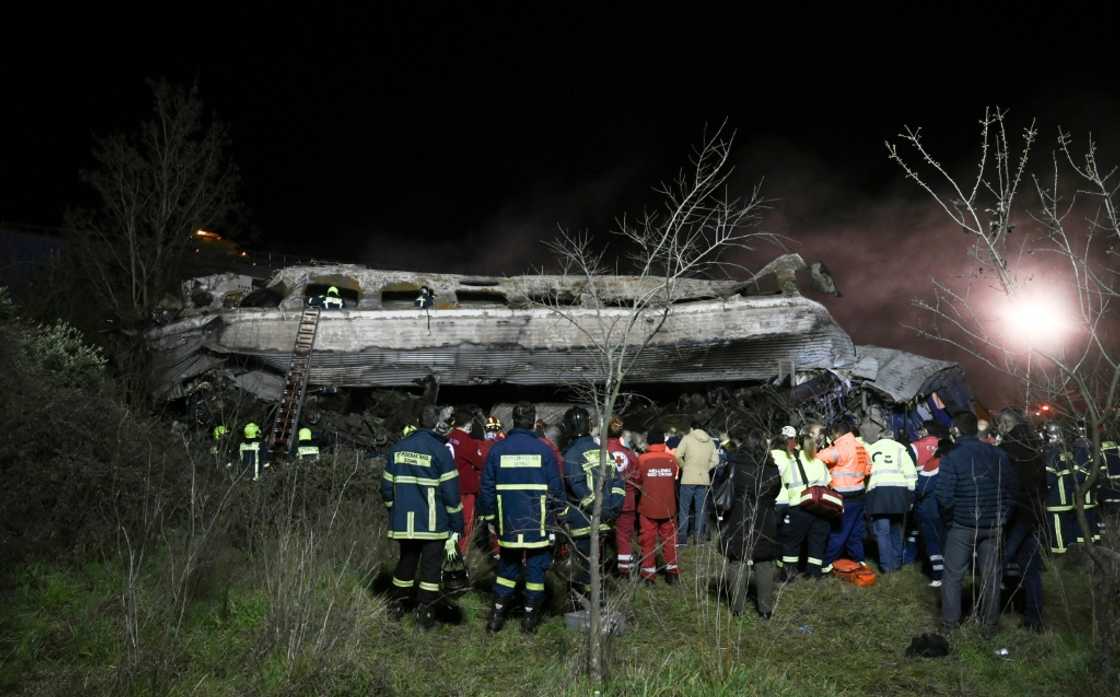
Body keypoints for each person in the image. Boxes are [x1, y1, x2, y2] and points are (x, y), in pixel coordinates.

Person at [478, 402, 565, 634]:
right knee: (536, 571)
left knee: (507, 569)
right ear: (533, 421)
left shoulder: (497, 450)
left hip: (508, 523)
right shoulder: (544, 450)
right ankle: (529, 622)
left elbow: (486, 488)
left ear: (513, 421)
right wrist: (561, 514)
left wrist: (491, 518)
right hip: (538, 523)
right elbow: (556, 488)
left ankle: (496, 619)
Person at [381, 405, 464, 629]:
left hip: (404, 523)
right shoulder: (440, 451)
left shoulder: (398, 448)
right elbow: (451, 494)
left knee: (406, 562)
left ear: (418, 422)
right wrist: (457, 524)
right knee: (430, 568)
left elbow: (386, 488)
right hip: (432, 524)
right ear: (436, 423)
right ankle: (425, 614)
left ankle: (396, 606)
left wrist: (394, 510)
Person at [937, 411, 1017, 634]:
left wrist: (951, 519)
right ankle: (989, 626)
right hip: (994, 525)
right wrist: (1003, 516)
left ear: (955, 430)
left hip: (962, 525)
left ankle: (950, 626)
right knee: (991, 576)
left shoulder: (952, 457)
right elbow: (1012, 490)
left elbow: (943, 496)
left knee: (953, 576)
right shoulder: (999, 454)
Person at [561, 407, 626, 605]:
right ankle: (599, 600)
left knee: (583, 567)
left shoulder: (571, 454)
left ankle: (584, 604)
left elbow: (577, 488)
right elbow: (618, 483)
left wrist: (599, 511)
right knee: (599, 564)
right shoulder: (604, 452)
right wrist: (613, 510)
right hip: (606, 522)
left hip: (583, 522)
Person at [718, 429, 783, 618]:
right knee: (764, 562)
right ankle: (765, 610)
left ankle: (737, 609)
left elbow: (725, 486)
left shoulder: (735, 465)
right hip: (765, 517)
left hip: (739, 515)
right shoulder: (772, 468)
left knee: (738, 560)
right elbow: (776, 491)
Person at [997, 408, 1046, 631]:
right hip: (1032, 512)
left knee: (999, 561)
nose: (999, 427)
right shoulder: (1035, 446)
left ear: (1007, 424)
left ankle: (987, 615)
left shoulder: (1007, 448)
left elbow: (1003, 482)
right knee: (1030, 568)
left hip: (1013, 512)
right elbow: (1043, 481)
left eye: (1001, 423)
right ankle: (1034, 618)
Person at [773, 427, 832, 579]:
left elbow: (785, 483)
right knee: (817, 542)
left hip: (798, 506)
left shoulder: (792, 463)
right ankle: (814, 574)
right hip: (820, 507)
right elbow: (828, 481)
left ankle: (788, 574)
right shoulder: (819, 462)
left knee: (792, 543)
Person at [817, 417, 872, 572]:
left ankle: (826, 563)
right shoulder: (860, 446)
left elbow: (818, 458)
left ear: (836, 433)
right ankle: (859, 560)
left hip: (843, 495)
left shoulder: (841, 447)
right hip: (859, 493)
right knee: (855, 531)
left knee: (839, 531)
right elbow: (868, 468)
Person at [863, 423, 918, 573]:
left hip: (878, 493)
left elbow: (865, 472)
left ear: (879, 436)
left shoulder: (871, 449)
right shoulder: (900, 449)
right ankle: (897, 563)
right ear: (893, 436)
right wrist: (911, 497)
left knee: (882, 532)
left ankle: (887, 567)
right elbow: (911, 474)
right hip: (899, 492)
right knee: (896, 529)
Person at [635, 427, 681, 584]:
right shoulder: (672, 459)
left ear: (649, 442)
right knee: (669, 541)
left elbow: (638, 480)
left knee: (647, 541)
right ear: (663, 441)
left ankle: (648, 576)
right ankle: (672, 573)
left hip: (648, 507)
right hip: (668, 507)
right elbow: (674, 479)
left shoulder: (642, 459)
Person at [675, 420, 719, 546]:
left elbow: (677, 455)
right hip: (703, 479)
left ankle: (682, 539)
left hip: (688, 478)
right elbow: (716, 461)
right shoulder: (710, 441)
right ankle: (698, 539)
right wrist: (706, 468)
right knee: (701, 510)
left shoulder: (687, 438)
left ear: (692, 428)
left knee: (684, 509)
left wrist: (684, 467)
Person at [606, 416, 641, 577]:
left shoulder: (601, 452)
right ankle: (625, 570)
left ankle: (602, 570)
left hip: (606, 501)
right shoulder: (630, 454)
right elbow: (637, 477)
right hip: (627, 500)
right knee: (625, 537)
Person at [448, 409, 485, 556]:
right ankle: (460, 554)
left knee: (448, 521)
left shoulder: (447, 437)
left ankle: (447, 551)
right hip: (464, 490)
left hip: (447, 486)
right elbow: (480, 463)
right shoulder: (467, 442)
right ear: (468, 424)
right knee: (465, 522)